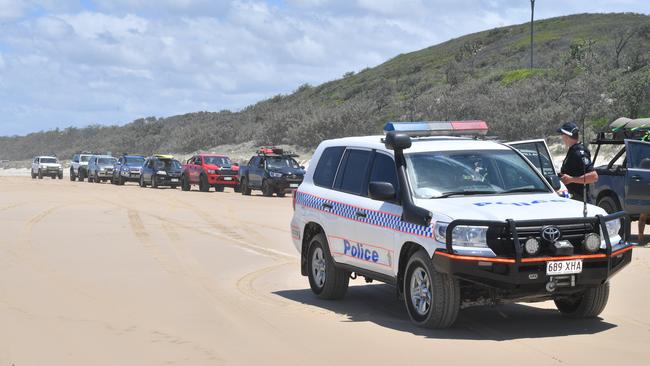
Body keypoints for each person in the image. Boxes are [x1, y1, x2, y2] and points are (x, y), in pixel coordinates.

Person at [557, 122, 598, 202]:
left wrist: (571, 179)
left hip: (578, 199)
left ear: (566, 136)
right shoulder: (573, 150)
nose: (562, 138)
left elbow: (594, 176)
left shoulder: (579, 153)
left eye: (562, 135)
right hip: (572, 197)